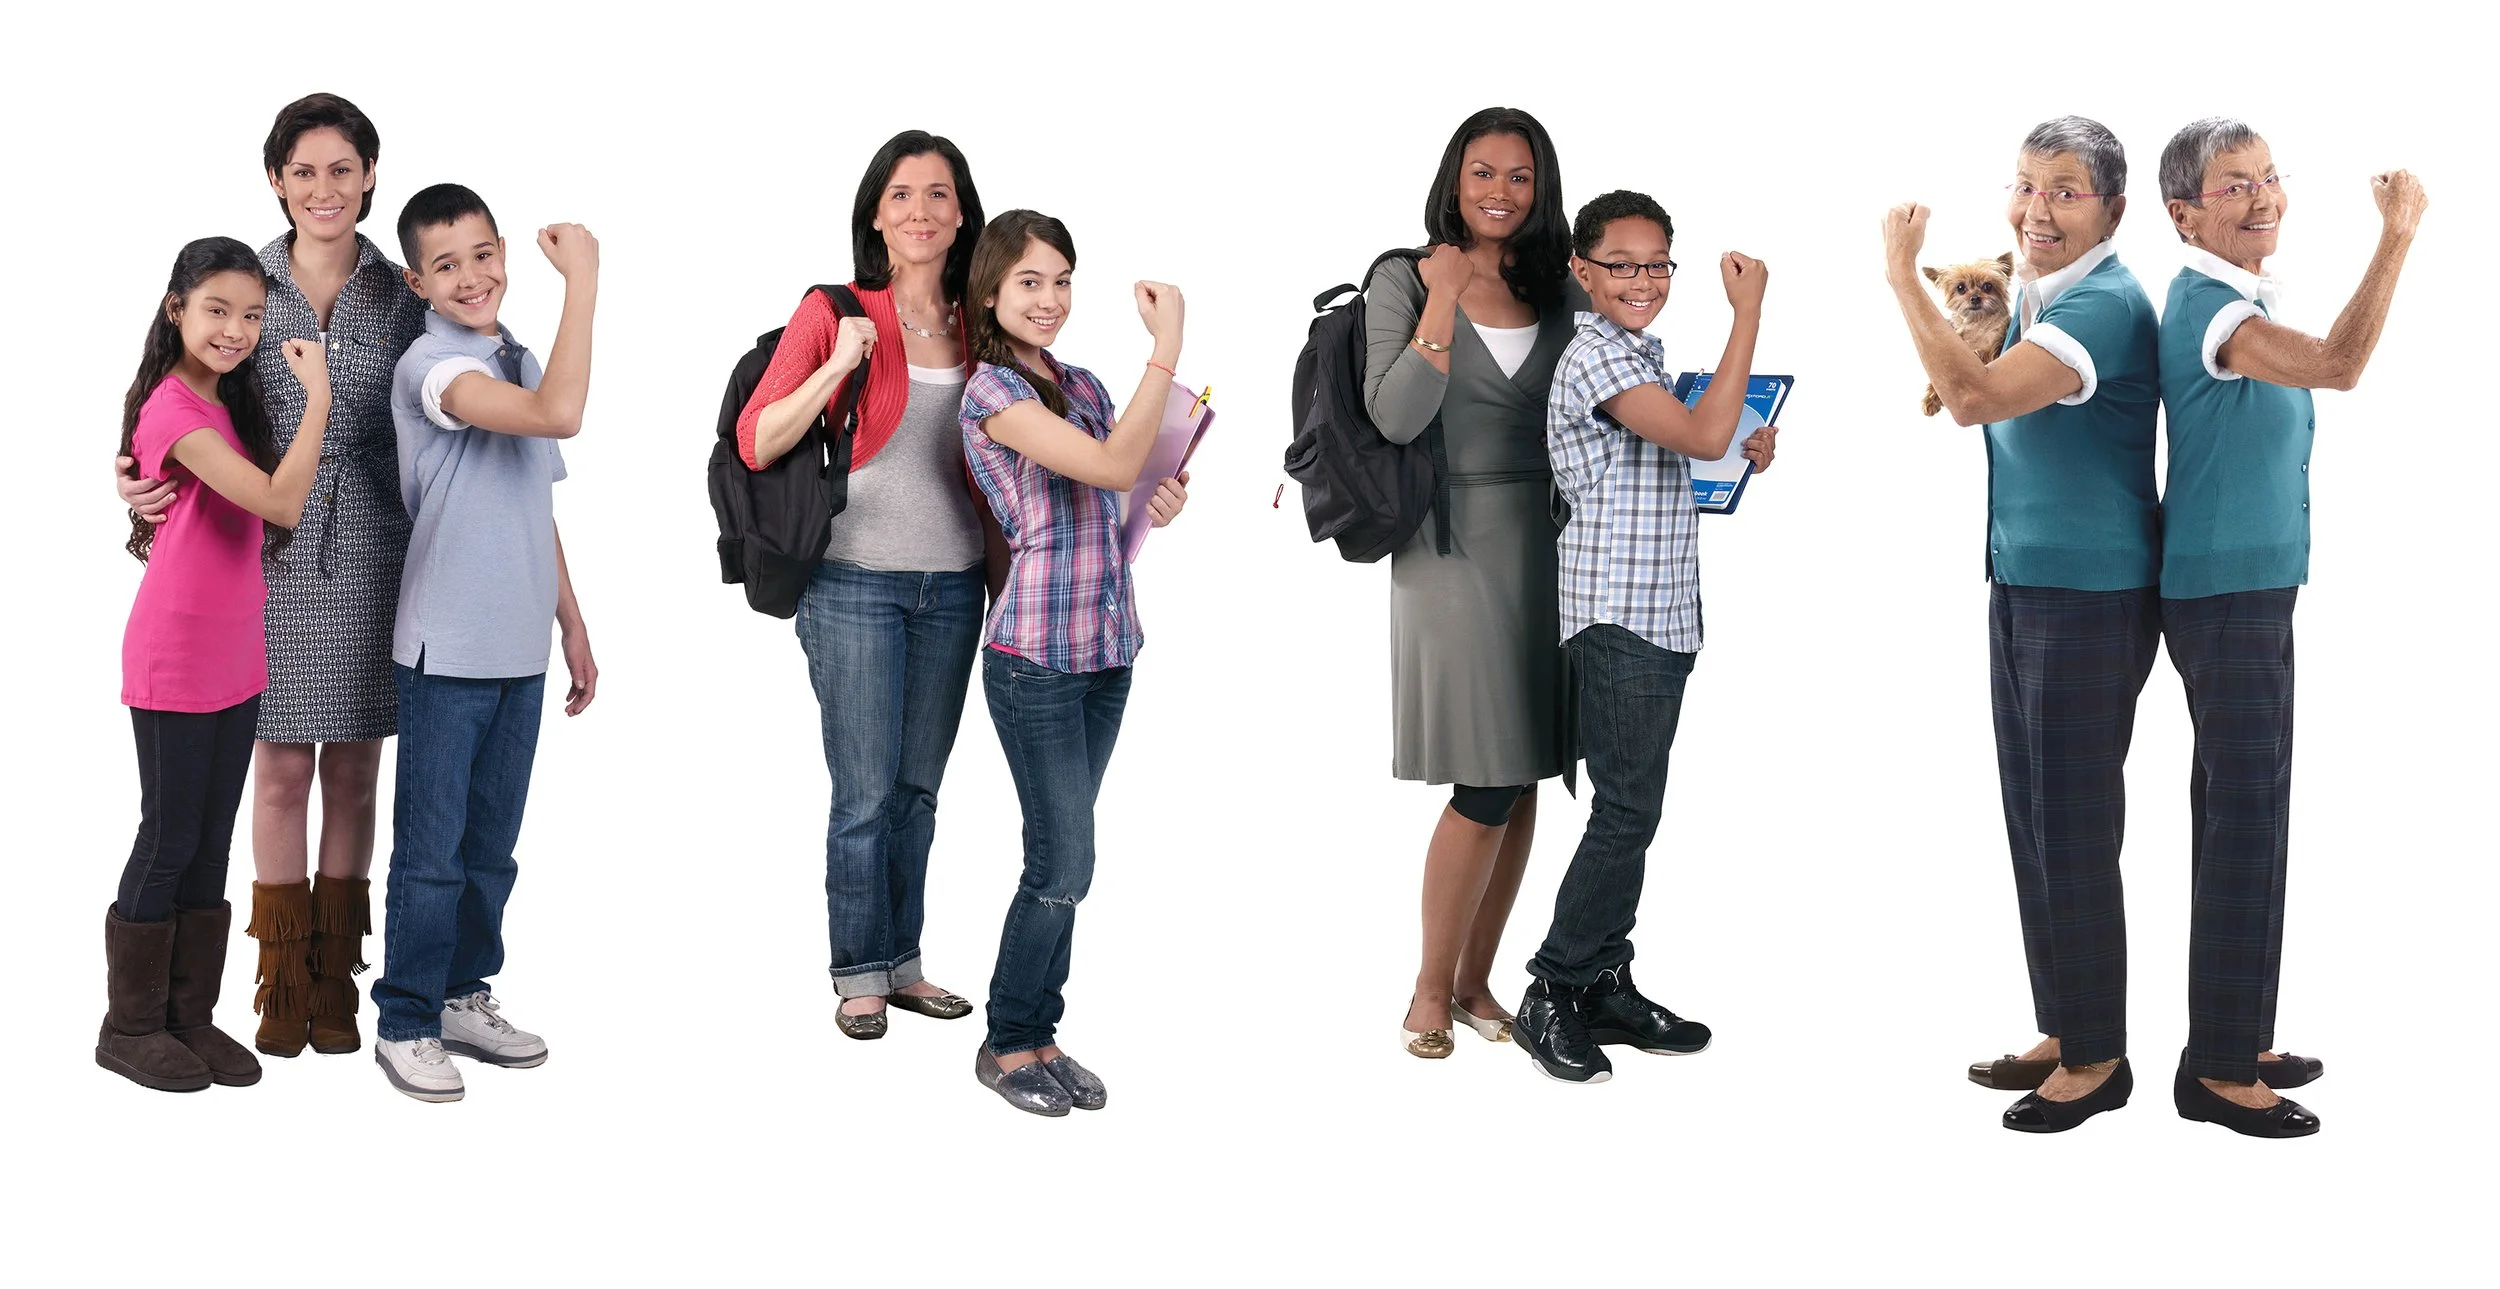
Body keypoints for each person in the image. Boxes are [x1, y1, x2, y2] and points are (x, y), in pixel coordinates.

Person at [116, 93, 429, 1059]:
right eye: (305, 171)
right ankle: (279, 981)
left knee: (358, 766)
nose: (325, 189)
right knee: (282, 765)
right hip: (270, 550)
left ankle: (337, 979)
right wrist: (135, 478)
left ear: (371, 177)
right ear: (275, 180)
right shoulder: (241, 281)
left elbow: (444, 405)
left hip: (378, 541)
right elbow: (180, 395)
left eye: (344, 169)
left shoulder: (402, 291)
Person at [1881, 116, 2164, 1133]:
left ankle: (2096, 1059)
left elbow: (1969, 398)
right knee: (2035, 819)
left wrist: (1898, 276)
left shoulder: (2101, 305)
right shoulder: (2036, 293)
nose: (2036, 208)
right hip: (2024, 580)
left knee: (2074, 825)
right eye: (2024, 186)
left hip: (2085, 595)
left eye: (2065, 191)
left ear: (2111, 209)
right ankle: (2065, 1020)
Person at [2151, 118, 2426, 1137]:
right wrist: (2394, 235)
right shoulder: (2211, 306)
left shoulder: (2233, 296)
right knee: (2244, 825)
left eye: (2268, 177)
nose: (2263, 196)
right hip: (2225, 595)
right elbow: (2337, 364)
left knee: (2244, 815)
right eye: (2233, 186)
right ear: (2184, 213)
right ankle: (2217, 1069)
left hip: (2246, 588)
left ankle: (2234, 1027)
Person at [735, 130, 1002, 1040]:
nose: (920, 211)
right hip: (853, 582)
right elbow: (759, 438)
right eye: (900, 195)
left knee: (918, 791)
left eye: (937, 194)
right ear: (876, 216)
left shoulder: (986, 320)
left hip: (957, 584)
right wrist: (841, 363)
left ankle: (905, 963)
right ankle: (858, 971)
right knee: (863, 793)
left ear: (963, 213)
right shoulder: (835, 307)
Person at [1516, 191, 1777, 1083]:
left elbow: (1693, 450)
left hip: (1662, 609)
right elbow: (1699, 430)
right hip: (1620, 613)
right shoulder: (1595, 356)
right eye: (1621, 264)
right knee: (1626, 810)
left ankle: (1602, 977)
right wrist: (1748, 318)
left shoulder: (1637, 356)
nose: (1644, 280)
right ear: (1582, 272)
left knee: (1636, 809)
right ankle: (1553, 985)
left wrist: (1738, 445)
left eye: (1658, 263)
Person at [955, 210, 1191, 1116]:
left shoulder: (1086, 383)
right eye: (1028, 283)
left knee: (1069, 859)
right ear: (990, 293)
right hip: (1036, 661)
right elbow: (1107, 461)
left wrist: (1156, 500)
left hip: (1107, 648)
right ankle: (1008, 1040)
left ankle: (1041, 1031)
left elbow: (1121, 486)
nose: (1049, 299)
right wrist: (1167, 346)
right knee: (1062, 860)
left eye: (1060, 281)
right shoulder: (989, 392)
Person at [369, 185, 601, 1103]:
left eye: (480, 254)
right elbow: (558, 416)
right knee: (431, 849)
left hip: (520, 648)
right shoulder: (431, 366)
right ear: (418, 280)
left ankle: (462, 993)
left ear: (502, 249)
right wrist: (582, 281)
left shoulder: (517, 355)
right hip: (446, 649)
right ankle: (406, 1019)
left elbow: (533, 497)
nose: (471, 276)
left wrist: (571, 618)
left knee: (492, 847)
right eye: (446, 263)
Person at [1364, 107, 1585, 1060]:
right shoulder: (1401, 278)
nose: (1499, 191)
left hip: (1553, 545)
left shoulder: (1559, 287)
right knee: (1485, 775)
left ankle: (1474, 980)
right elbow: (1397, 416)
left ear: (1543, 192)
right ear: (1454, 178)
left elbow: (1610, 405)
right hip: (1450, 547)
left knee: (1526, 768)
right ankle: (1425, 986)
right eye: (1482, 172)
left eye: (1520, 177)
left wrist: (1728, 442)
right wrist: (1442, 299)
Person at [102, 237, 332, 1092]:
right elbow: (281, 501)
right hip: (175, 655)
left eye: (251, 315)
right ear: (176, 311)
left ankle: (188, 1017)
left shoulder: (223, 400)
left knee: (206, 845)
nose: (235, 329)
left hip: (237, 654)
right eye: (216, 311)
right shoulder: (174, 409)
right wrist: (320, 400)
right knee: (168, 837)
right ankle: (129, 1026)